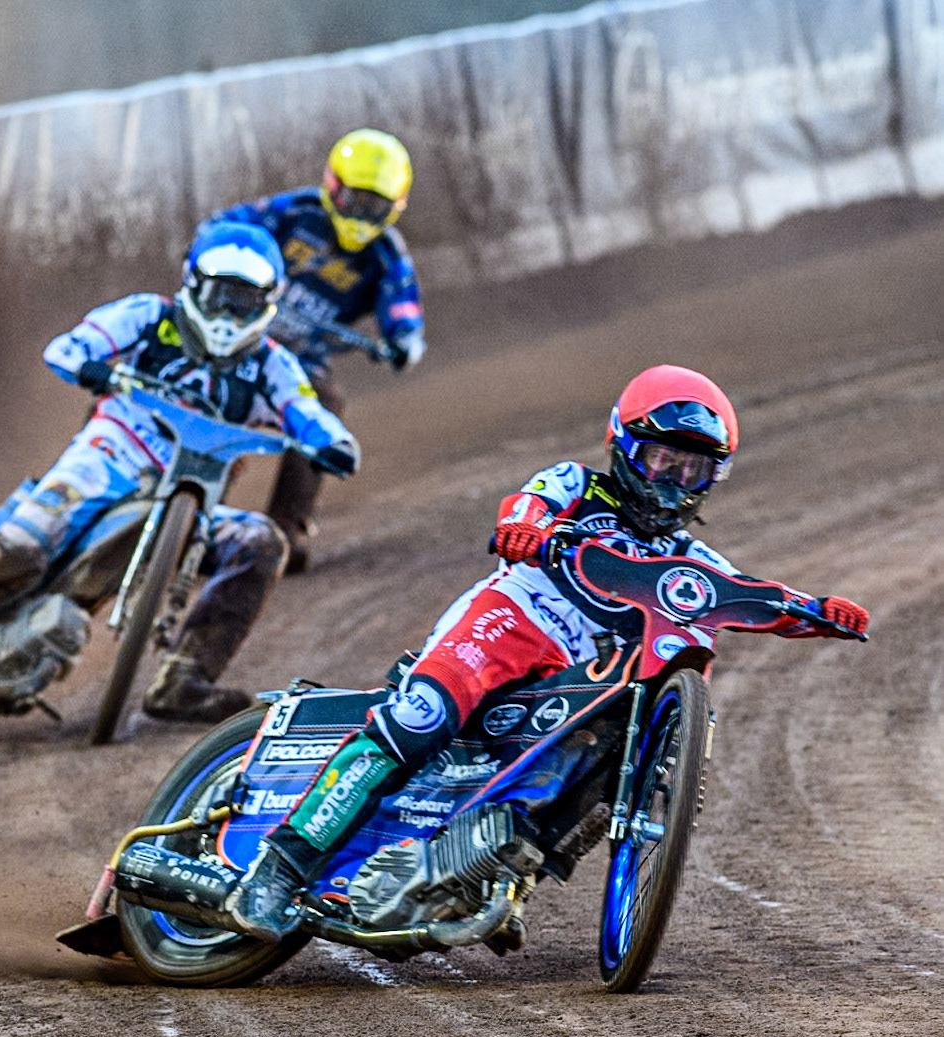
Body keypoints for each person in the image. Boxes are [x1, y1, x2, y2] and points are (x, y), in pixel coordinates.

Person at [224, 364, 871, 940]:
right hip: (513, 619)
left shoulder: (695, 562)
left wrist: (814, 612)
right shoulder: (576, 486)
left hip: (572, 672)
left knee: (615, 742)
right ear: (621, 448)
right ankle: (279, 867)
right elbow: (530, 503)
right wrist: (526, 529)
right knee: (419, 715)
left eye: (691, 469)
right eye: (659, 461)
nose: (673, 481)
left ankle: (497, 868)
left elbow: (748, 598)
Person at [0, 222, 359, 725]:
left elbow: (305, 410)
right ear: (193, 283)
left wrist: (333, 443)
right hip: (105, 459)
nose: (229, 314)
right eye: (221, 296)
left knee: (261, 542)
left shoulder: (273, 364)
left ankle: (185, 678)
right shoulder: (147, 315)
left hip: (193, 490)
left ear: (268, 303)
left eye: (244, 300)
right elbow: (67, 348)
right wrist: (91, 367)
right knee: (23, 543)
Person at [203, 128, 426, 573]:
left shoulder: (386, 255)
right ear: (333, 186)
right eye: (355, 200)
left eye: (375, 206)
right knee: (212, 397)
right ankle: (194, 517)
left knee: (325, 403)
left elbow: (404, 309)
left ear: (394, 208)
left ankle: (288, 527)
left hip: (301, 357)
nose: (361, 214)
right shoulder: (293, 211)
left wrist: (403, 341)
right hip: (239, 331)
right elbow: (218, 228)